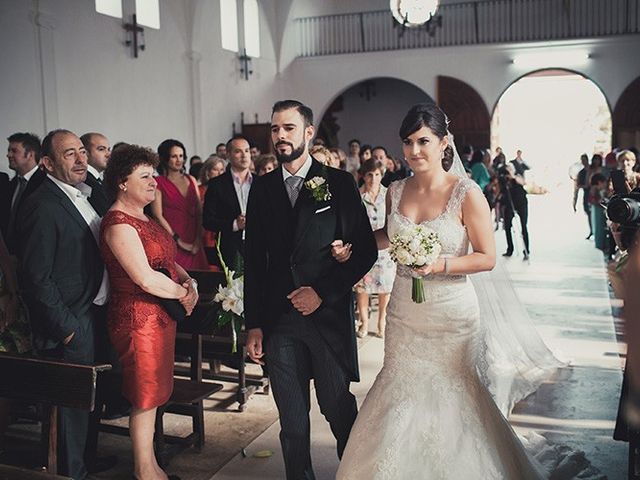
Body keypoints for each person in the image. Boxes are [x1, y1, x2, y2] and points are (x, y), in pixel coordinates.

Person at [336, 102, 546, 479]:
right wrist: (357, 242)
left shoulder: (466, 193)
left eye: (423, 141)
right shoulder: (395, 190)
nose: (414, 151)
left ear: (443, 142)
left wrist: (439, 264)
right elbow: (389, 235)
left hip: (451, 312)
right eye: (407, 143)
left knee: (455, 392)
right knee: (400, 382)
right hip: (404, 309)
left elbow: (486, 257)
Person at [244, 100, 377, 480]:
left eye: (288, 128)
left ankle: (355, 474)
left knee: (337, 409)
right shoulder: (263, 188)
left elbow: (365, 249)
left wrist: (322, 291)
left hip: (326, 318)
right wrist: (254, 324)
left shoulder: (338, 183)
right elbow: (253, 259)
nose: (280, 136)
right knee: (293, 423)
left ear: (307, 132)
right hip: (279, 322)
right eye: (274, 129)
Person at [17, 129, 114, 479]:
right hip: (72, 321)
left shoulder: (83, 195)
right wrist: (68, 329)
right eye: (69, 154)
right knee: (69, 412)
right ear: (47, 163)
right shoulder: (42, 206)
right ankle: (71, 473)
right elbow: (35, 278)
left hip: (94, 312)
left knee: (89, 404)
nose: (81, 159)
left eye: (81, 152)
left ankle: (85, 463)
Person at [100, 144, 197, 480]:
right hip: (136, 318)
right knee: (144, 394)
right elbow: (143, 277)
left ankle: (153, 465)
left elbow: (168, 262)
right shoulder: (117, 223)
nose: (154, 181)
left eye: (153, 174)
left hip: (160, 317)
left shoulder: (147, 217)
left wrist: (190, 283)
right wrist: (182, 295)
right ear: (122, 182)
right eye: (145, 176)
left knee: (156, 392)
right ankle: (144, 472)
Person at [150, 139, 208, 270]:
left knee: (203, 282)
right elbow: (157, 215)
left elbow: (199, 212)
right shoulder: (157, 182)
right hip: (172, 239)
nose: (179, 160)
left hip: (195, 239)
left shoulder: (191, 179)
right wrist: (179, 241)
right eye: (174, 156)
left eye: (181, 156)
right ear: (165, 158)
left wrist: (198, 240)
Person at [353, 159, 395, 339]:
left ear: (381, 175)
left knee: (384, 287)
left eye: (377, 174)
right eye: (370, 174)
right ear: (364, 175)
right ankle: (363, 321)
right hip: (363, 247)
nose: (373, 178)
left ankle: (381, 321)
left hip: (384, 250)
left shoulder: (388, 195)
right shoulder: (357, 195)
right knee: (363, 288)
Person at [203, 135, 256, 269]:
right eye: (238, 151)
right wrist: (235, 224)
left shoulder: (262, 182)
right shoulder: (216, 185)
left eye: (247, 151)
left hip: (259, 245)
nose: (244, 155)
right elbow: (207, 220)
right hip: (230, 248)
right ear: (228, 155)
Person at [4, 132, 46, 253]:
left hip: (33, 254)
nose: (8, 155)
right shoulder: (10, 185)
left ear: (30, 155)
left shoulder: (45, 183)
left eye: (14, 151)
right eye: (9, 151)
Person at [500, 162, 530, 260]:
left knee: (523, 227)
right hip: (510, 204)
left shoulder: (517, 176)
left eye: (510, 169)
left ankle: (526, 250)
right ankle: (510, 249)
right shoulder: (504, 179)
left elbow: (523, 182)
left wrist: (512, 176)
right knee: (507, 226)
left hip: (521, 203)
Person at [574, 154, 592, 239]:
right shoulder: (581, 173)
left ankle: (594, 231)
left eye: (585, 159)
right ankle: (592, 231)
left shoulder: (593, 169)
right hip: (587, 195)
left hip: (595, 194)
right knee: (589, 213)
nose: (584, 162)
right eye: (582, 160)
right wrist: (574, 203)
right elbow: (577, 186)